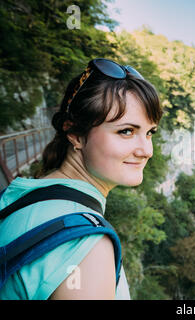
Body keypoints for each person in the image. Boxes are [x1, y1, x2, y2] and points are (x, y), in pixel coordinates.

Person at [0, 58, 164, 299]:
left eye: (149, 133)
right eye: (126, 131)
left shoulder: (21, 196)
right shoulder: (86, 246)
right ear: (75, 134)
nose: (146, 150)